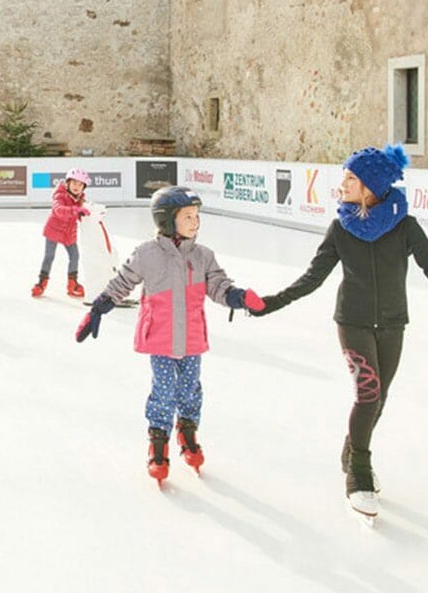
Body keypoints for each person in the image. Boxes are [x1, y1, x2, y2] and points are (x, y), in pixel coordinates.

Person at [250, 144, 428, 518]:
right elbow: (313, 277)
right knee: (368, 395)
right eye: (345, 176)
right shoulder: (341, 227)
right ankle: (360, 472)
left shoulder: (405, 226)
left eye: (352, 177)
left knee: (379, 398)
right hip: (352, 322)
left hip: (392, 323)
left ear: (371, 185)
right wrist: (273, 302)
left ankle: (351, 450)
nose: (344, 183)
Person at [76, 186, 265, 481]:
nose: (195, 222)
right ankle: (158, 441)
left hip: (191, 338)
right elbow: (122, 282)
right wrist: (98, 308)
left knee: (190, 388)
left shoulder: (203, 256)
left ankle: (187, 431)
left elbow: (218, 286)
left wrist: (238, 297)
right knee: (163, 391)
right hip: (161, 338)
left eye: (197, 215)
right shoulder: (147, 254)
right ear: (166, 220)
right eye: (188, 216)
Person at [31, 167, 90, 298]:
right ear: (67, 183)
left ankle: (72, 283)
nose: (76, 187)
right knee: (49, 256)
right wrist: (75, 210)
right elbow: (59, 209)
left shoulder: (81, 200)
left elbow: (80, 215)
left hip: (68, 232)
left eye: (80, 184)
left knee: (75, 256)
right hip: (54, 229)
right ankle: (41, 283)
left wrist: (89, 215)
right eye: (74, 183)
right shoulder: (60, 195)